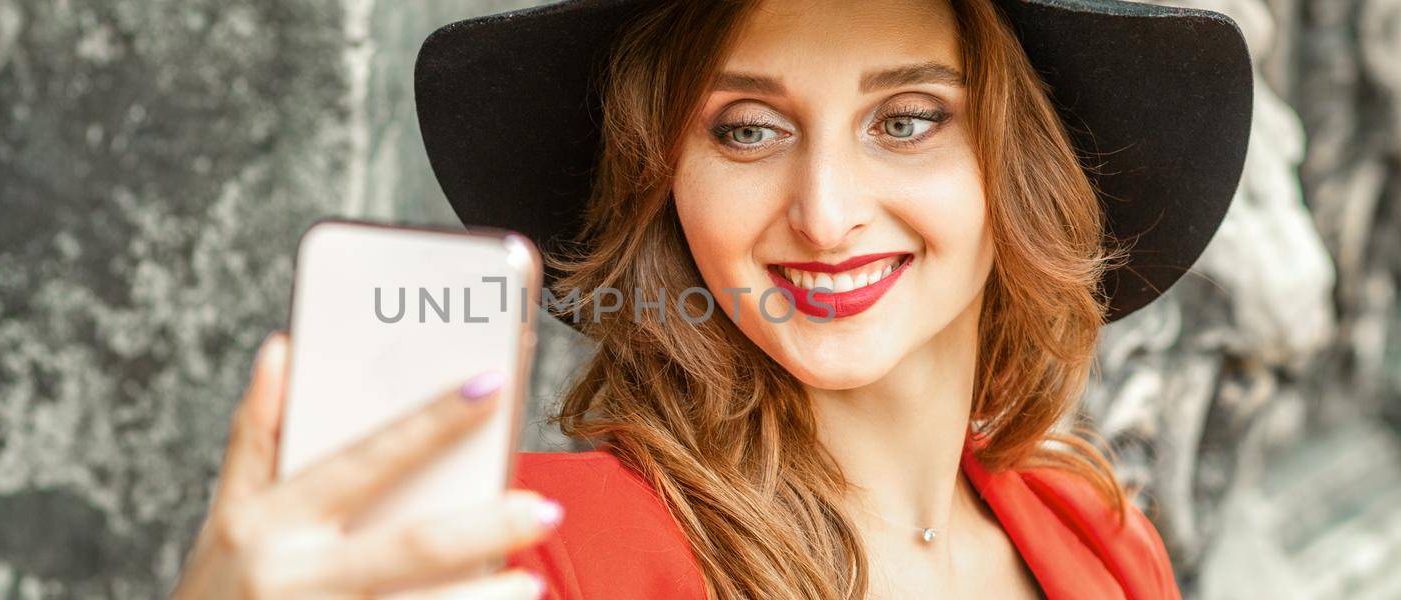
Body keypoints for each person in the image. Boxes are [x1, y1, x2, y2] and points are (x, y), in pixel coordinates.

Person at [173, 0, 1251, 597]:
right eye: (745, 129)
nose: (825, 215)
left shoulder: (1101, 539)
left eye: (907, 118)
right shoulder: (532, 551)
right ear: (663, 183)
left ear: (1021, 162)